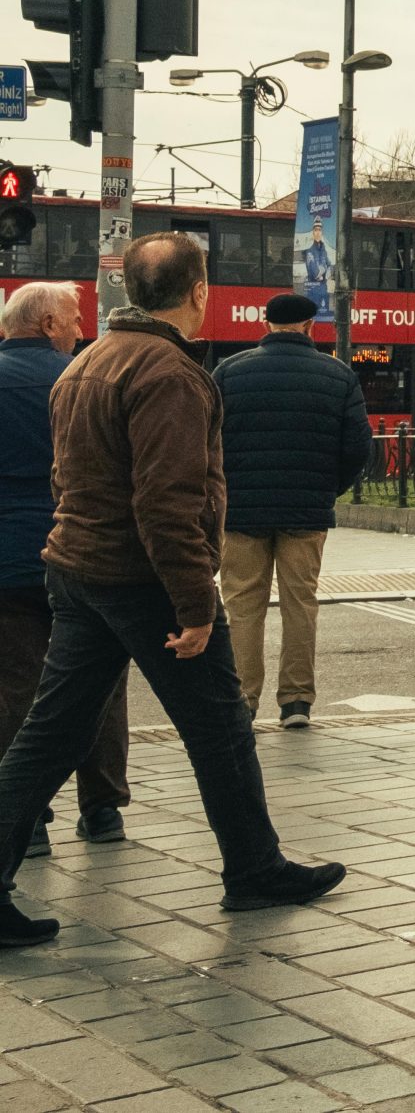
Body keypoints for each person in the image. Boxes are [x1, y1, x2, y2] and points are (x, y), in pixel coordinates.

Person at [0, 233, 343, 943]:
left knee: (50, 733)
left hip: (77, 570)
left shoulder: (86, 363)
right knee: (219, 727)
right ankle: (253, 869)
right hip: (142, 579)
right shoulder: (170, 374)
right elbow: (167, 501)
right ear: (198, 291)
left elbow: (69, 481)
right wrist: (193, 605)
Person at [0, 283, 128, 855]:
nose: (82, 328)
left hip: (8, 560)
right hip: (83, 551)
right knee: (97, 681)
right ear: (49, 322)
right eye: (76, 318)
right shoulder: (85, 380)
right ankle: (102, 810)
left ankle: (25, 821)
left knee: (15, 685)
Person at [212, 292, 371, 728]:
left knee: (242, 603)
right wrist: (327, 488)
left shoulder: (229, 371)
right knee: (301, 602)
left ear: (265, 325)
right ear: (310, 326)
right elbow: (358, 446)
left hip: (242, 511)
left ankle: (243, 701)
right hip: (306, 510)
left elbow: (207, 440)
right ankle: (296, 702)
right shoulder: (338, 375)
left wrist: (225, 487)